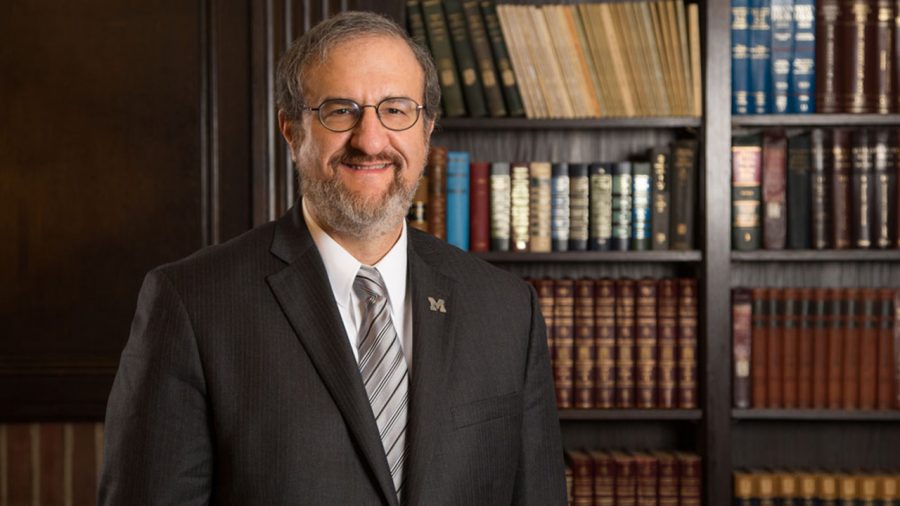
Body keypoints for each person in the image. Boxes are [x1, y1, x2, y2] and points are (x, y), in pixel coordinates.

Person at [99, 11, 565, 505]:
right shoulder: (192, 304)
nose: (370, 140)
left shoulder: (506, 310)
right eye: (340, 111)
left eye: (396, 110)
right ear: (292, 131)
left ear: (426, 129)